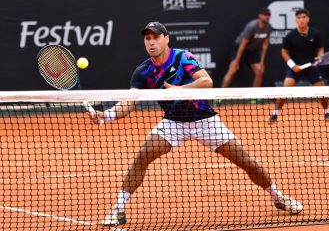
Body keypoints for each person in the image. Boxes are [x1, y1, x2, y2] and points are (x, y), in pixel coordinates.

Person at [92, 21, 303, 226]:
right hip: (173, 123)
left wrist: (179, 90)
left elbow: (206, 81)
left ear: (166, 39)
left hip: (205, 121)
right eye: (148, 38)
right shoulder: (143, 71)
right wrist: (107, 115)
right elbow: (130, 102)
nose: (151, 42)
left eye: (156, 37)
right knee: (141, 157)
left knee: (245, 161)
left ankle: (278, 197)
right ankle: (118, 209)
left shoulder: (183, 57)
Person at [269, 9, 329, 122]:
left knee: (322, 91)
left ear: (308, 19)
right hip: (295, 67)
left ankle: (327, 112)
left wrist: (319, 58)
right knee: (285, 90)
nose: (301, 20)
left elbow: (320, 48)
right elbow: (284, 52)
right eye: (299, 17)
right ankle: (275, 114)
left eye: (304, 17)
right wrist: (293, 66)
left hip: (311, 67)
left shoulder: (316, 34)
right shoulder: (290, 36)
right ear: (296, 20)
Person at [221, 7, 272, 88]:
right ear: (260, 16)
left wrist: (262, 61)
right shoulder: (252, 26)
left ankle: (255, 97)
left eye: (268, 15)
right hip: (239, 47)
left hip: (252, 51)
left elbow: (265, 44)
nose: (267, 17)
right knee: (232, 70)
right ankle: (220, 96)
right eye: (265, 14)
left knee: (260, 71)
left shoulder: (269, 28)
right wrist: (237, 61)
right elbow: (243, 44)